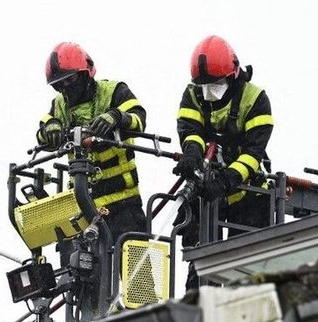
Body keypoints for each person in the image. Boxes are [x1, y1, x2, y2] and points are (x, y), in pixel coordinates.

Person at [36, 42, 153, 308]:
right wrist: (51, 128)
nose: (65, 88)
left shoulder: (114, 92)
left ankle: (147, 321)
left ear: (86, 73)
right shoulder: (59, 106)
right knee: (84, 283)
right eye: (59, 84)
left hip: (124, 205)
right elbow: (42, 132)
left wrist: (116, 117)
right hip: (84, 209)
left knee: (140, 283)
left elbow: (139, 118)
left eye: (70, 81)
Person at [172, 35, 275, 290]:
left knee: (244, 273)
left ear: (232, 75)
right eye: (203, 85)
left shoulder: (255, 99)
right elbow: (190, 129)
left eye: (215, 83)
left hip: (247, 194)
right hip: (205, 191)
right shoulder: (194, 94)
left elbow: (254, 152)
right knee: (200, 266)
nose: (209, 90)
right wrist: (192, 154)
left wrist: (227, 179)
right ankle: (196, 316)